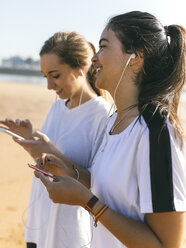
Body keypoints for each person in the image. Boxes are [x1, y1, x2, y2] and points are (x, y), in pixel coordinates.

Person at [35, 11, 186, 248]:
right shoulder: (114, 120)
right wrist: (70, 172)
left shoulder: (156, 132)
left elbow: (168, 245)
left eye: (104, 46)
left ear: (136, 56)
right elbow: (110, 192)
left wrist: (88, 203)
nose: (94, 58)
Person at [0, 31, 111, 248]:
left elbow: (100, 185)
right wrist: (30, 139)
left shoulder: (102, 116)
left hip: (71, 232)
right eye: (45, 76)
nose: (49, 85)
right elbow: (51, 156)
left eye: (55, 75)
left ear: (81, 70)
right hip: (40, 219)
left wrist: (50, 150)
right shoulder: (58, 106)